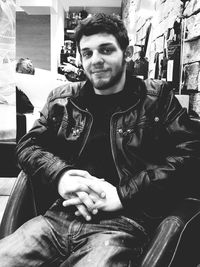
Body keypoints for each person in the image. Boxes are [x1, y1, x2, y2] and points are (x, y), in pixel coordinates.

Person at [0, 13, 199, 267]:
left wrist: (123, 195)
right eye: (87, 53)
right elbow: (28, 145)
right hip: (58, 217)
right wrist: (61, 176)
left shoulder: (157, 99)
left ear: (125, 53)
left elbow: (192, 153)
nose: (96, 60)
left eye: (105, 50)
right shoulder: (62, 100)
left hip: (121, 226)